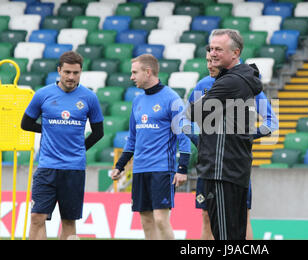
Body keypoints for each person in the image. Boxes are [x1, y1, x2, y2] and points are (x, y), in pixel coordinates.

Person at [188, 46, 278, 240]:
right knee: (206, 216)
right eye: (207, 61)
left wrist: (245, 136)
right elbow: (185, 119)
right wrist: (199, 139)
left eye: (213, 60)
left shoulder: (245, 85)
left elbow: (272, 123)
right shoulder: (202, 85)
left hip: (235, 162)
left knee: (242, 217)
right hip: (210, 162)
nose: (210, 64)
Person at [21, 51, 104, 240]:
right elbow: (25, 123)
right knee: (36, 217)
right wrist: (49, 130)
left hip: (74, 169)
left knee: (68, 221)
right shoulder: (43, 94)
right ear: (59, 71)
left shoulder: (89, 97)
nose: (71, 77)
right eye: (67, 72)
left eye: (75, 73)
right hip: (47, 167)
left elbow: (99, 133)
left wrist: (80, 149)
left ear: (81, 72)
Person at [110, 54, 191, 240]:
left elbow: (183, 135)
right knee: (146, 220)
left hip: (162, 169)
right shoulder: (137, 101)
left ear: (148, 72)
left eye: (134, 72)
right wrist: (120, 165)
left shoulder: (172, 98)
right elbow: (132, 139)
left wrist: (182, 168)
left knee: (161, 219)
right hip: (140, 169)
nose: (131, 77)